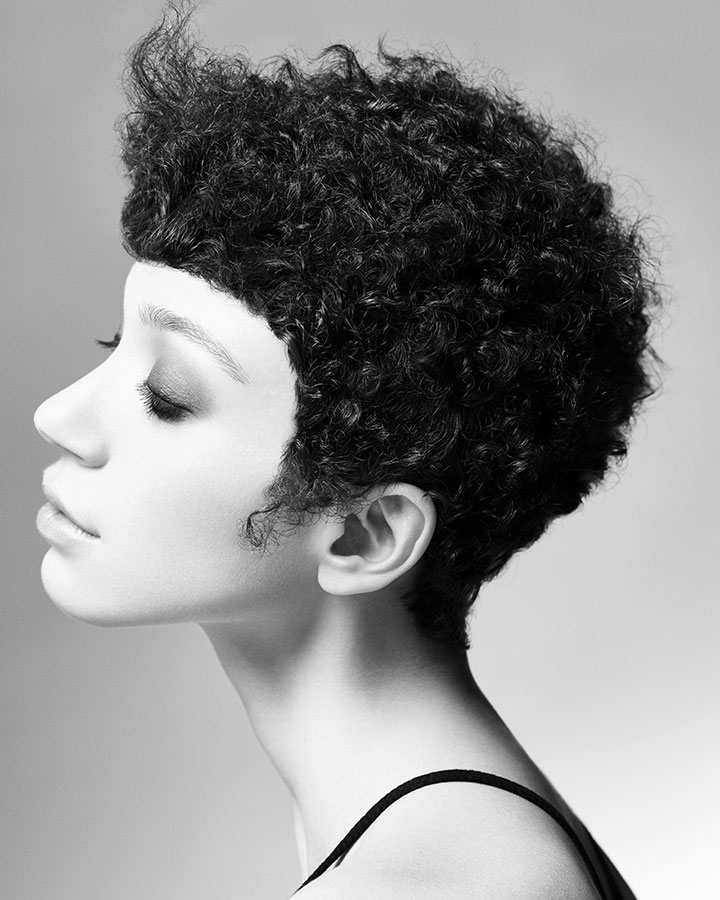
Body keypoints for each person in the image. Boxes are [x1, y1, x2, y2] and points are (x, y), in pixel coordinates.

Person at [33, 7, 660, 898]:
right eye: (112, 345)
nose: (57, 415)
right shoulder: (445, 830)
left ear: (366, 534)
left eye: (168, 395)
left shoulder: (402, 883)